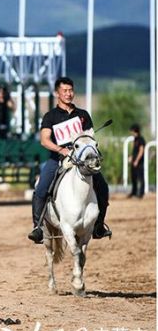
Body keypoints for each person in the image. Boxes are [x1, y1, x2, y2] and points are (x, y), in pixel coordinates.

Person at [27, 77, 112, 243]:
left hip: (82, 160)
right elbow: (45, 140)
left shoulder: (83, 115)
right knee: (42, 187)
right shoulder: (50, 116)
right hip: (58, 158)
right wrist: (62, 149)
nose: (69, 94)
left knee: (102, 187)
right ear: (57, 93)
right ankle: (38, 227)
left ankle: (99, 225)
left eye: (70, 90)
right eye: (65, 91)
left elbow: (90, 137)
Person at [128, 123, 146, 199]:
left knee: (140, 178)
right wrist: (131, 157)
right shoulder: (135, 139)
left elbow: (141, 151)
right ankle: (134, 192)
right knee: (133, 177)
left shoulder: (141, 139)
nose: (131, 132)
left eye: (132, 130)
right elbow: (134, 150)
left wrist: (137, 161)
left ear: (135, 130)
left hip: (139, 163)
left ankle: (141, 194)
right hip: (134, 162)